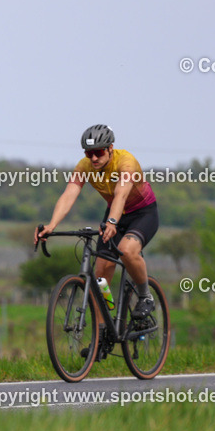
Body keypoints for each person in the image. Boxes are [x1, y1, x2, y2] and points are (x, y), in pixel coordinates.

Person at [35, 124, 159, 319]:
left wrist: (111, 222)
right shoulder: (85, 166)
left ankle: (145, 296)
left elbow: (121, 194)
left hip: (142, 213)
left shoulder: (126, 162)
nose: (93, 158)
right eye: (89, 153)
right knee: (101, 276)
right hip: (114, 214)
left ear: (110, 148)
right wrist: (52, 225)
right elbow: (69, 194)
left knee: (127, 250)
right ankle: (103, 327)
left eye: (98, 152)